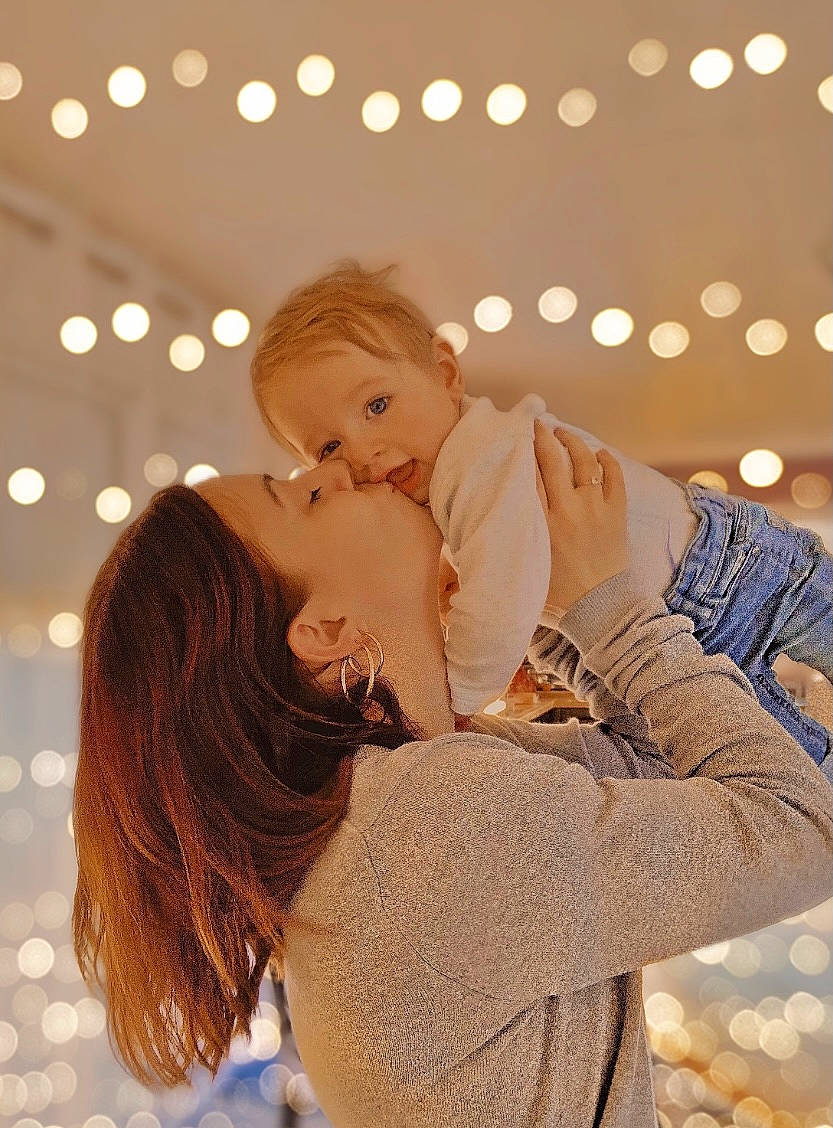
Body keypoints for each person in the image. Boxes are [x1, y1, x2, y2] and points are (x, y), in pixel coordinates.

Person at [72, 422, 832, 1128]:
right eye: (304, 494)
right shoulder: (421, 834)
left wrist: (566, 620)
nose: (335, 468)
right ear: (325, 630)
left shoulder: (400, 802)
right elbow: (805, 829)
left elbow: (661, 771)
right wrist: (610, 616)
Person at [249, 260, 833, 761]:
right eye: (328, 448)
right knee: (784, 767)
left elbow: (501, 603)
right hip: (672, 617)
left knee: (788, 755)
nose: (363, 451)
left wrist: (448, 698)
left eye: (377, 404)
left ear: (446, 373)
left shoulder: (483, 461)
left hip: (722, 571)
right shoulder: (438, 496)